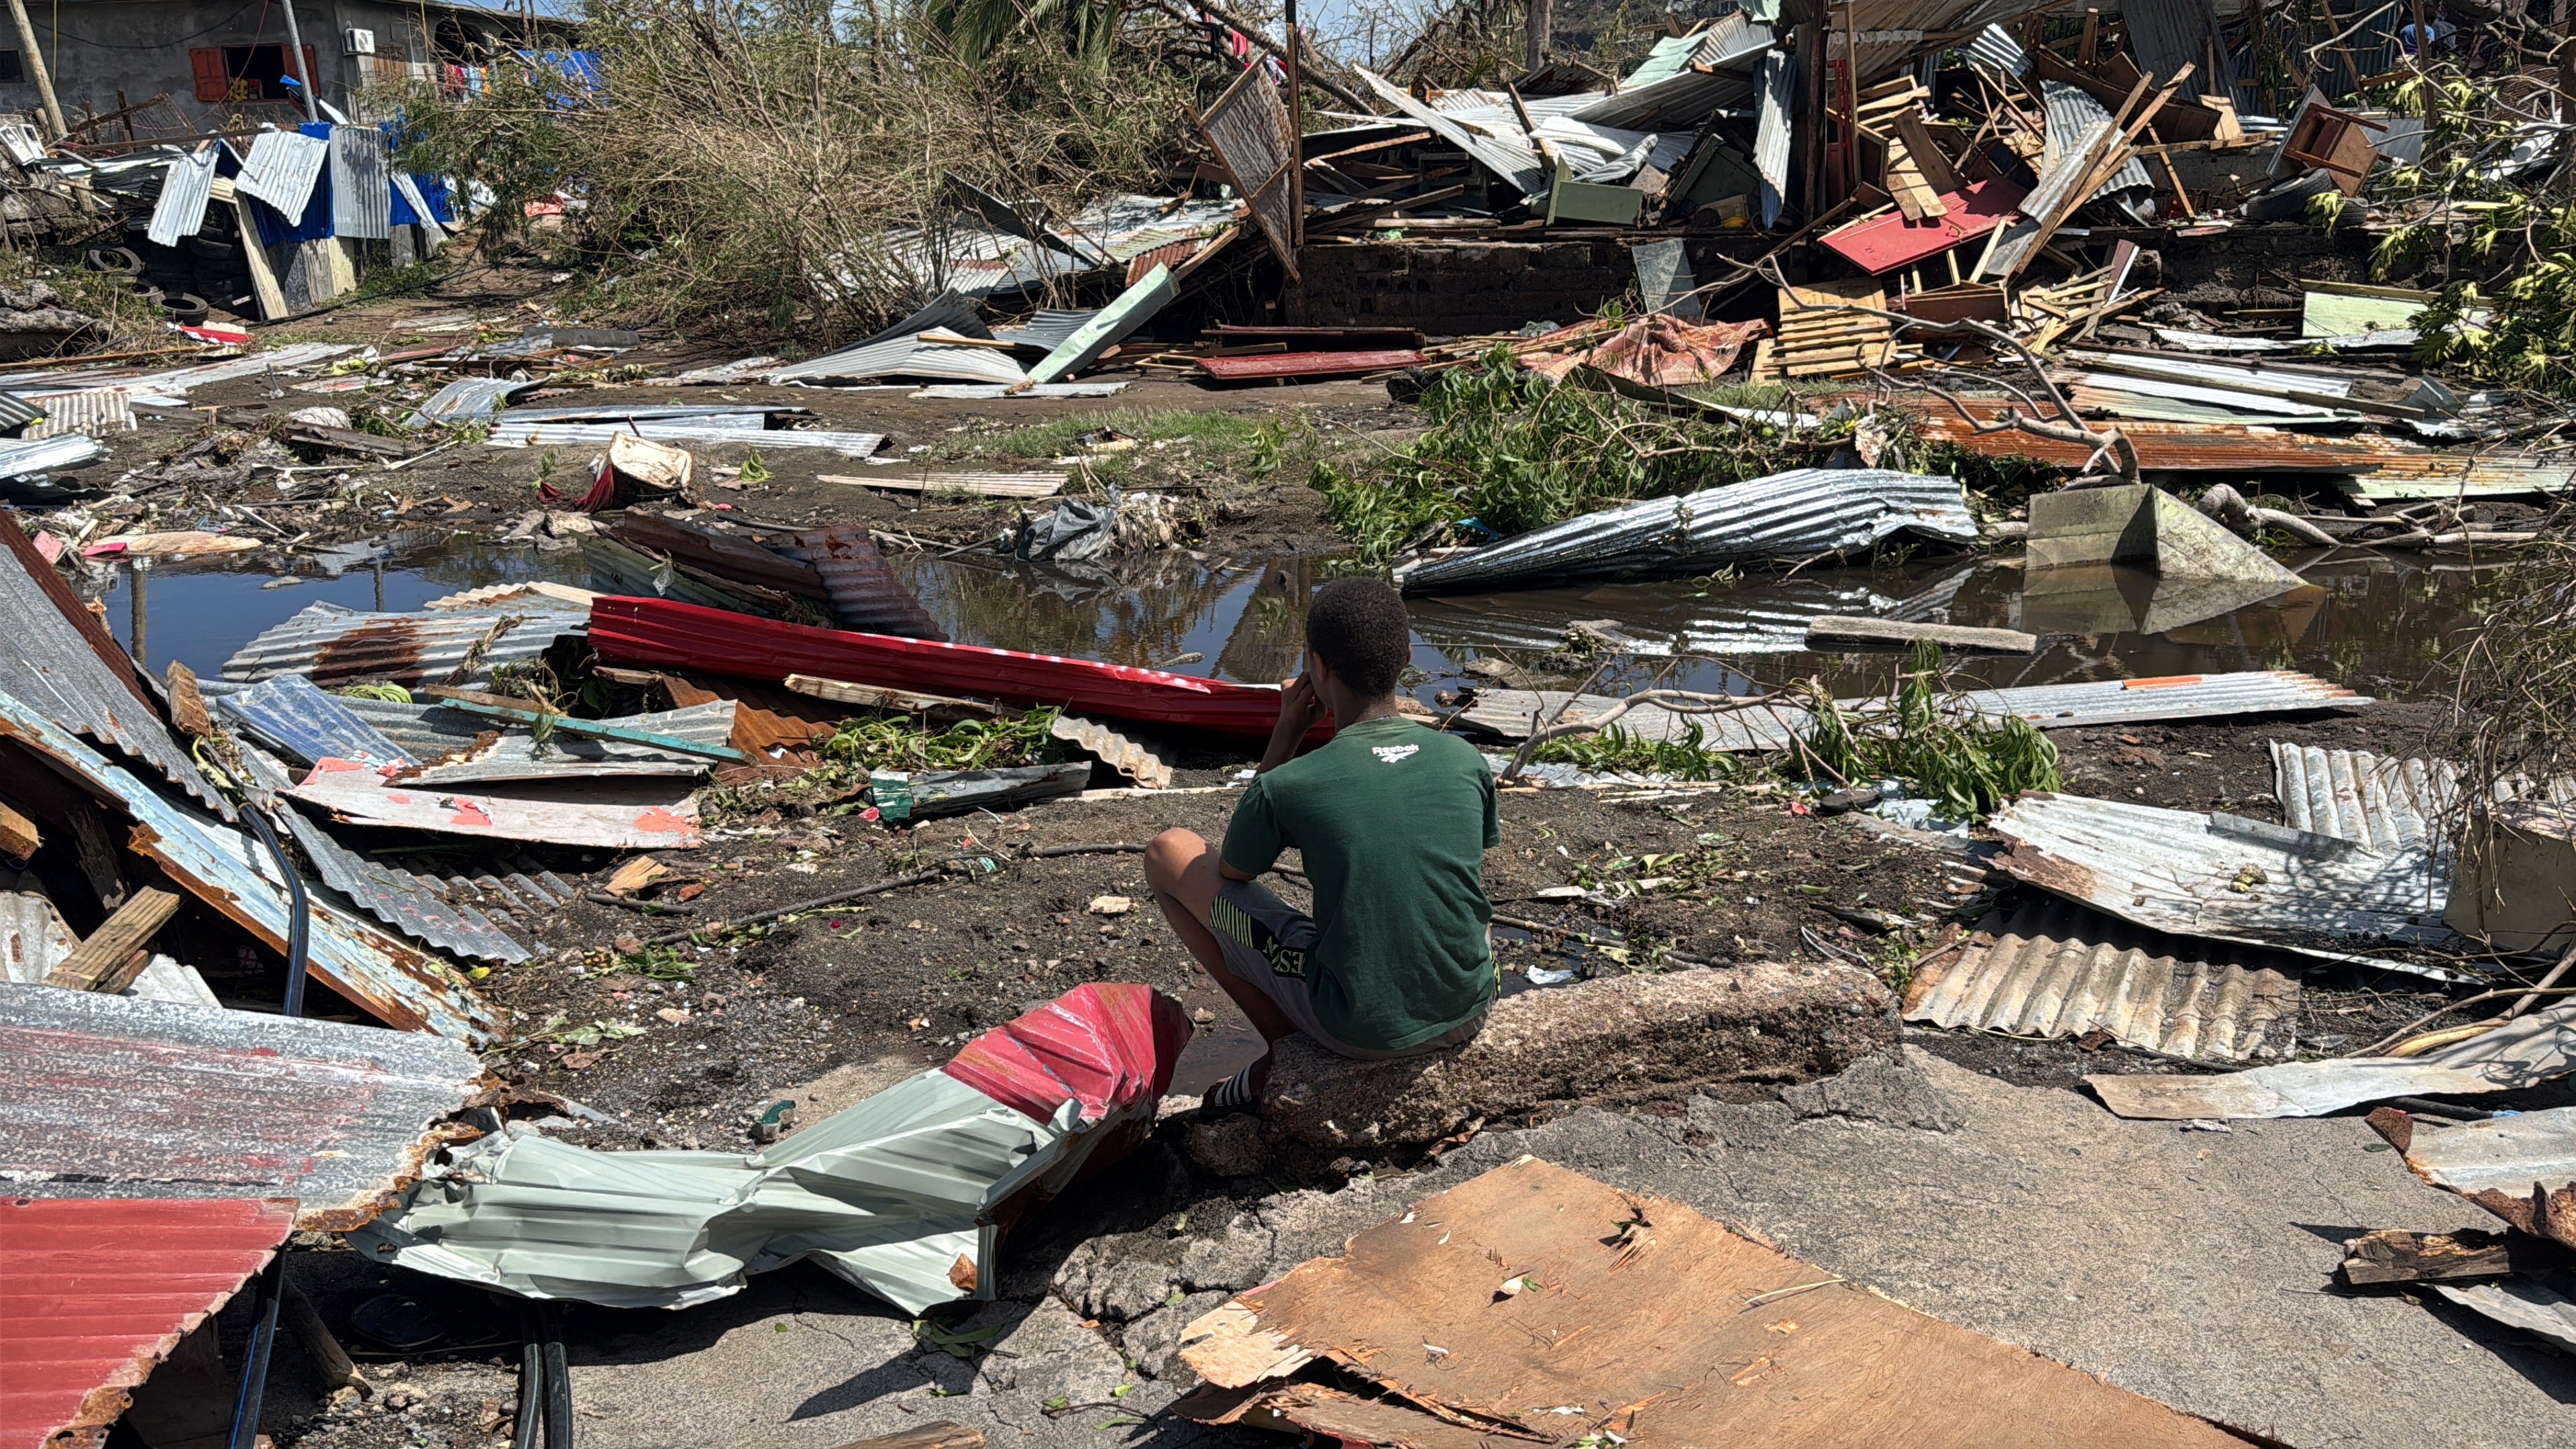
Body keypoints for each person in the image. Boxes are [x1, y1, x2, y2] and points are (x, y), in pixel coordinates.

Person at [1144, 577, 1500, 1113]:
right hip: (1472, 1004)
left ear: (1318, 667)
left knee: (1168, 853)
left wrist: (1285, 733)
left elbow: (1236, 869)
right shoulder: (1464, 759)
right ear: (1405, 656)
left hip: (1362, 1025)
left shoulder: (1293, 783)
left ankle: (1283, 1048)